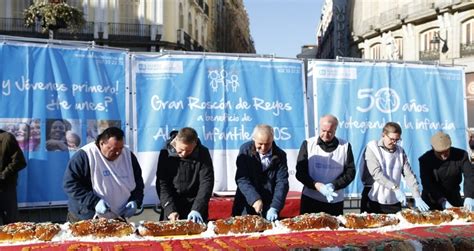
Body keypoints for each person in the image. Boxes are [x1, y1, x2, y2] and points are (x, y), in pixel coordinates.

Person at [63, 127, 144, 222]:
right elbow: (70, 184)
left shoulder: (128, 156)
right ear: (102, 143)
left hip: (118, 216)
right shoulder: (84, 155)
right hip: (87, 216)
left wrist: (135, 200)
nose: (118, 153)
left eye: (120, 148)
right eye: (113, 149)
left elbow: (138, 183)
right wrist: (94, 202)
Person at [360, 122, 429, 214]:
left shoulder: (400, 151)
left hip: (393, 199)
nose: (394, 142)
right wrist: (395, 188)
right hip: (373, 196)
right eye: (392, 139)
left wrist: (417, 196)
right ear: (383, 135)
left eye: (397, 140)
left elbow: (409, 175)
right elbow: (376, 173)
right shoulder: (372, 147)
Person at [296, 114, 356, 216]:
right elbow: (300, 172)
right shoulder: (308, 144)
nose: (326, 135)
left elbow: (350, 172)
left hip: (335, 201)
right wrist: (316, 185)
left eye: (330, 132)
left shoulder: (345, 146)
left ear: (335, 130)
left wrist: (335, 185)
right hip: (311, 200)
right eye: (323, 131)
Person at [156, 127, 214, 224]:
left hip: (195, 205)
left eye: (188, 151)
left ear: (195, 144)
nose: (183, 154)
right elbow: (162, 184)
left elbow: (207, 182)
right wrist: (169, 209)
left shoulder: (203, 153)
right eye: (180, 150)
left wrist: (197, 208)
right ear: (176, 142)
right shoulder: (165, 153)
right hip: (172, 203)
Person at [232, 124, 289, 222]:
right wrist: (254, 199)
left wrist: (275, 207)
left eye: (267, 144)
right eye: (260, 144)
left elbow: (282, 182)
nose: (263, 148)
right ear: (254, 139)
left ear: (272, 140)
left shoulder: (280, 155)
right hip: (246, 202)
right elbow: (242, 179)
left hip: (269, 203)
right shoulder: (245, 150)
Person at [419, 131, 474, 211]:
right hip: (432, 200)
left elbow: (470, 176)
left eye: (446, 151)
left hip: (454, 197)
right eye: (439, 152)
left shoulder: (461, 155)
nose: (443, 155)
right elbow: (427, 183)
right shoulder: (425, 160)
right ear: (432, 148)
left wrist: (469, 196)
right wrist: (441, 200)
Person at [0, 129, 27, 225]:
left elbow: (20, 161)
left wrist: (3, 175)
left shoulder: (7, 137)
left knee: (11, 225)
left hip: (5, 189)